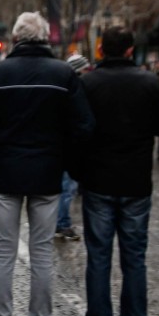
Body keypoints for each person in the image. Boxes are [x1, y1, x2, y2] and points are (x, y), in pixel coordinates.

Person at [0, 12, 95, 316]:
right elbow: (84, 127)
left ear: (15, 37)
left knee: (4, 252)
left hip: (5, 173)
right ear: (45, 37)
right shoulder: (64, 74)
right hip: (48, 174)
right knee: (41, 255)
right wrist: (66, 162)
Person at [75, 27, 159, 316]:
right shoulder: (149, 82)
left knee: (99, 258)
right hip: (136, 181)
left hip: (99, 179)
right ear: (131, 50)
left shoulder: (88, 83)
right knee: (135, 259)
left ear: (101, 49)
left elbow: (77, 130)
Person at [56, 53, 92, 240]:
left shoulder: (64, 88)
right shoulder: (76, 90)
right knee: (67, 188)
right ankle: (62, 224)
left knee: (66, 187)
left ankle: (60, 222)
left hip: (63, 146)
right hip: (70, 147)